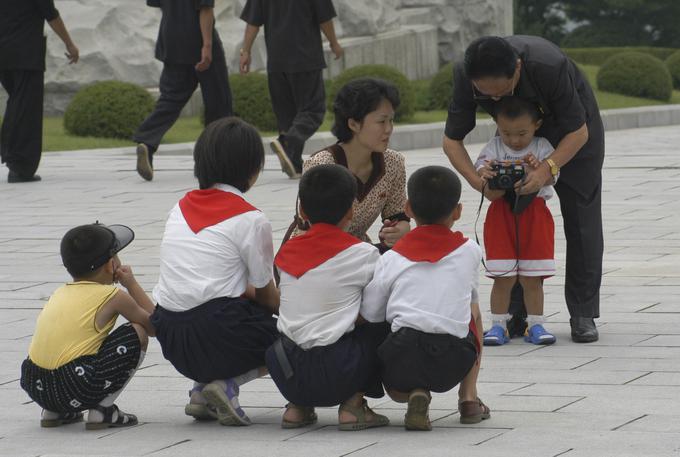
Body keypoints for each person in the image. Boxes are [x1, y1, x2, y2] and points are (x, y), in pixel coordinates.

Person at [443, 35, 604, 343]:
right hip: (513, 137)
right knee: (512, 216)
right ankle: (515, 314)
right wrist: (480, 183)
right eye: (485, 95)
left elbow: (578, 131)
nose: (494, 99)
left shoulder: (548, 66)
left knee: (582, 216)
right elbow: (452, 141)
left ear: (517, 68)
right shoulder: (467, 75)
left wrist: (546, 169)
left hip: (575, 133)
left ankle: (583, 312)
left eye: (501, 92)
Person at [150, 117, 279, 426]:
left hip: (170, 336)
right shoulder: (251, 219)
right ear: (253, 168)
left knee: (230, 309)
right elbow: (265, 295)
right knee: (287, 340)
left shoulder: (178, 207)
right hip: (219, 333)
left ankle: (199, 392)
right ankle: (226, 385)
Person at [362, 166, 489, 431]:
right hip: (454, 360)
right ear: (457, 211)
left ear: (407, 208)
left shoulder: (391, 258)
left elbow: (371, 314)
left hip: (402, 358)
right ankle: (468, 398)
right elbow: (471, 309)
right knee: (474, 313)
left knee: (381, 322)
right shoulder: (470, 250)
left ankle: (412, 395)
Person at [266, 164, 389, 431]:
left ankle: (297, 407)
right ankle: (353, 406)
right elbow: (375, 313)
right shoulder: (364, 255)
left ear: (302, 211)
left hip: (287, 370)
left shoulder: (284, 255)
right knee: (383, 321)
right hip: (340, 369)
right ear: (351, 211)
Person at [20, 223, 155, 429]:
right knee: (138, 331)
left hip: (35, 384)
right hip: (75, 384)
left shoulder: (59, 293)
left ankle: (54, 412)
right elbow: (154, 326)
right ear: (111, 265)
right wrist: (132, 284)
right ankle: (103, 411)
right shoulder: (114, 296)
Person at [475, 97, 558, 346]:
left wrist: (540, 169)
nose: (513, 140)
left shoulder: (543, 147)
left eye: (521, 133)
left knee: (533, 277)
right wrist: (485, 171)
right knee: (502, 276)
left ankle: (536, 324)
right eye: (506, 133)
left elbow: (553, 177)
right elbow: (480, 165)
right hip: (501, 212)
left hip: (535, 213)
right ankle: (498, 326)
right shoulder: (494, 146)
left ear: (537, 125)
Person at [290, 78, 410, 249]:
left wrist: (399, 230)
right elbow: (313, 227)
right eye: (381, 121)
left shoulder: (393, 162)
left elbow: (399, 215)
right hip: (315, 254)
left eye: (391, 120)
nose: (389, 129)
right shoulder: (322, 165)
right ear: (353, 124)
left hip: (359, 252)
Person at [239, 0, 343, 178]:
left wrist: (246, 51)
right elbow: (324, 18)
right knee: (313, 110)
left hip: (277, 62)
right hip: (305, 58)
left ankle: (293, 164)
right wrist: (334, 43)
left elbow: (253, 22)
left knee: (287, 116)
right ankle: (287, 143)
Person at [132, 0, 233, 181]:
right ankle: (214, 161)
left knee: (171, 98)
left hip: (171, 39)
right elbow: (205, 8)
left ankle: (147, 141)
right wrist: (207, 46)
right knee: (218, 103)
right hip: (198, 38)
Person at [0, 0, 79, 183]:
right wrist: (69, 44)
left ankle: (12, 155)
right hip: (26, 52)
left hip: (4, 53)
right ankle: (20, 166)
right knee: (26, 108)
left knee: (17, 103)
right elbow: (50, 13)